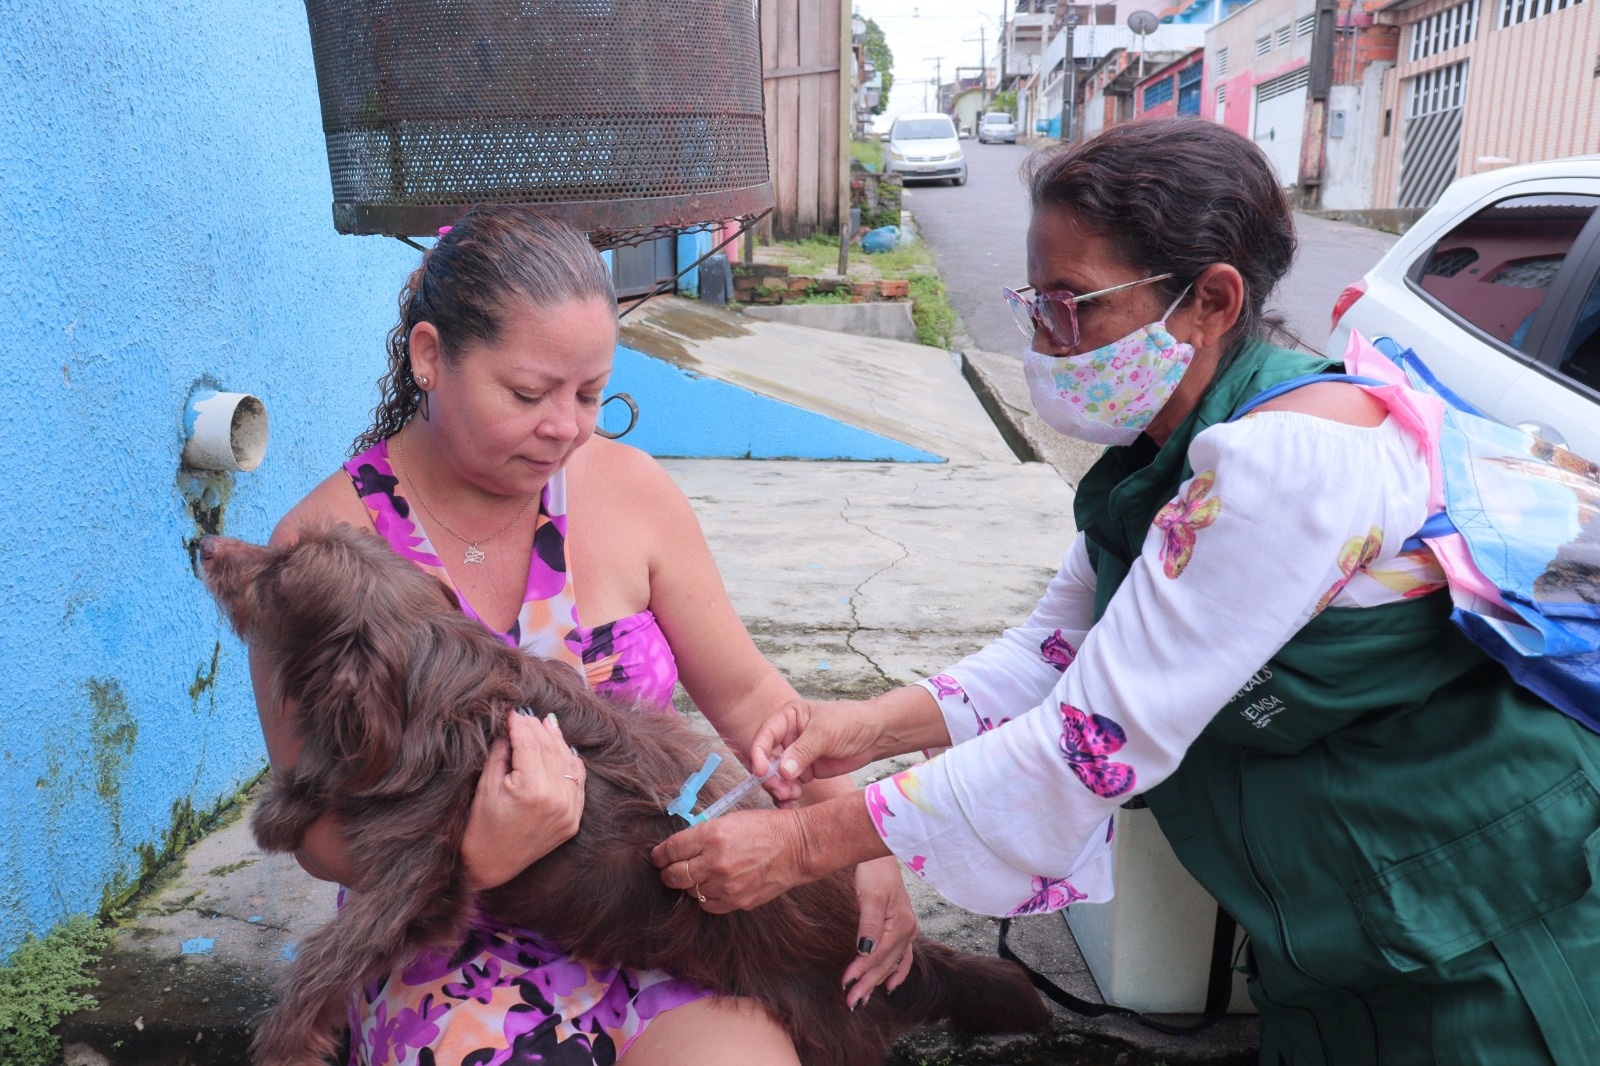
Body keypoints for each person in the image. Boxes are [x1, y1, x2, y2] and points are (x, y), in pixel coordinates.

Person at [653, 119, 1600, 1064]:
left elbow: (1091, 736)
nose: (1045, 342)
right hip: (1341, 926)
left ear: (1211, 302)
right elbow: (1057, 652)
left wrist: (804, 846)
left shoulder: (1287, 460)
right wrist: (851, 729)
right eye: (1035, 305)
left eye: (1075, 306)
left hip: (1487, 916)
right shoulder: (1159, 459)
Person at [249, 206, 918, 1066]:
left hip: (668, 911)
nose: (566, 426)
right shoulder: (318, 553)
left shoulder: (630, 492)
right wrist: (469, 858)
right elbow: (314, 832)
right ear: (429, 358)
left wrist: (858, 840)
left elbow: (752, 702)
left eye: (590, 394)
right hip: (452, 928)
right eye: (528, 395)